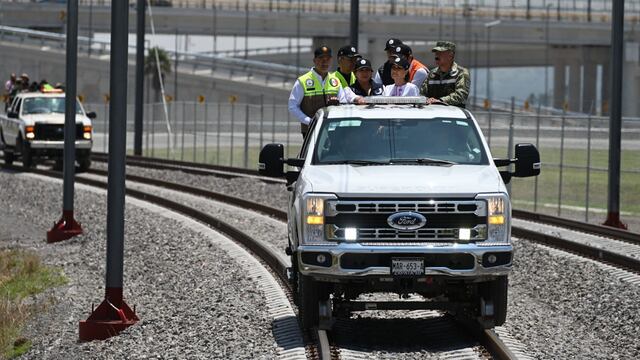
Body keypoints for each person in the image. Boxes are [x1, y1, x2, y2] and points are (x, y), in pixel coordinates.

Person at [288, 46, 346, 138]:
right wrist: (309, 121)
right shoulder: (303, 81)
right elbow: (292, 106)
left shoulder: (335, 81)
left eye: (327, 59)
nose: (324, 62)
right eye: (321, 59)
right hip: (311, 130)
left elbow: (343, 103)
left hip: (333, 130)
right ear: (314, 60)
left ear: (331, 60)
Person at [420, 41, 470, 107]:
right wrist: (427, 100)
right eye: (436, 53)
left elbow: (461, 95)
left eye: (441, 53)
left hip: (454, 114)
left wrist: (441, 101)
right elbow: (422, 94)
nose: (437, 56)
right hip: (432, 112)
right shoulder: (432, 74)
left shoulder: (461, 73)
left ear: (451, 56)